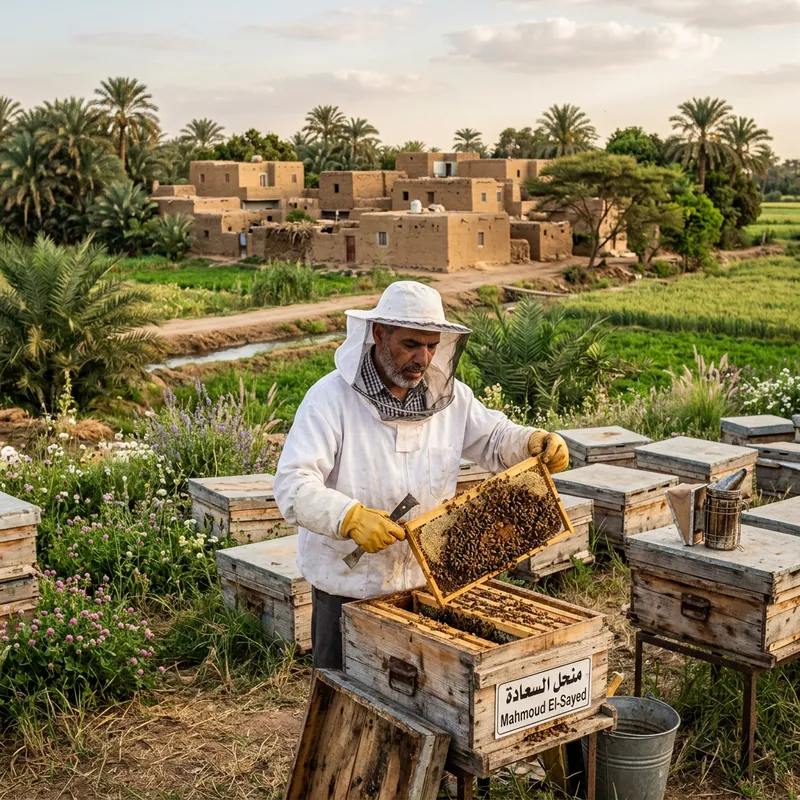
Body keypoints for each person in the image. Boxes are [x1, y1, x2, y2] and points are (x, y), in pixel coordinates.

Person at [274, 281, 569, 669]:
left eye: (432, 346)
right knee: (342, 706)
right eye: (411, 344)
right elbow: (293, 484)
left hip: (426, 585)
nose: (423, 358)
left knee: (417, 705)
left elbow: (494, 438)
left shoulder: (450, 397)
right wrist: (348, 517)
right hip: (349, 589)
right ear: (379, 334)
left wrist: (530, 440)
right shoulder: (330, 400)